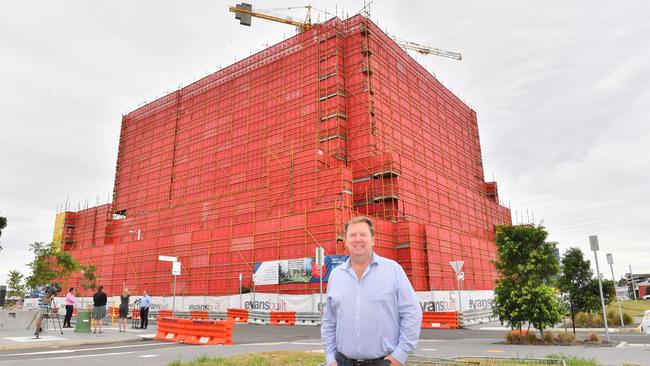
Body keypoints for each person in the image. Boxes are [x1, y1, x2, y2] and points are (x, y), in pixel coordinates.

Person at [321, 216, 422, 366]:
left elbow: (412, 312)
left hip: (385, 362)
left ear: (373, 239)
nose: (358, 239)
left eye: (363, 234)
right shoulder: (336, 276)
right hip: (343, 362)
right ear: (346, 241)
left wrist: (400, 355)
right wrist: (330, 358)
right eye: (352, 235)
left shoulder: (393, 270)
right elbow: (329, 320)